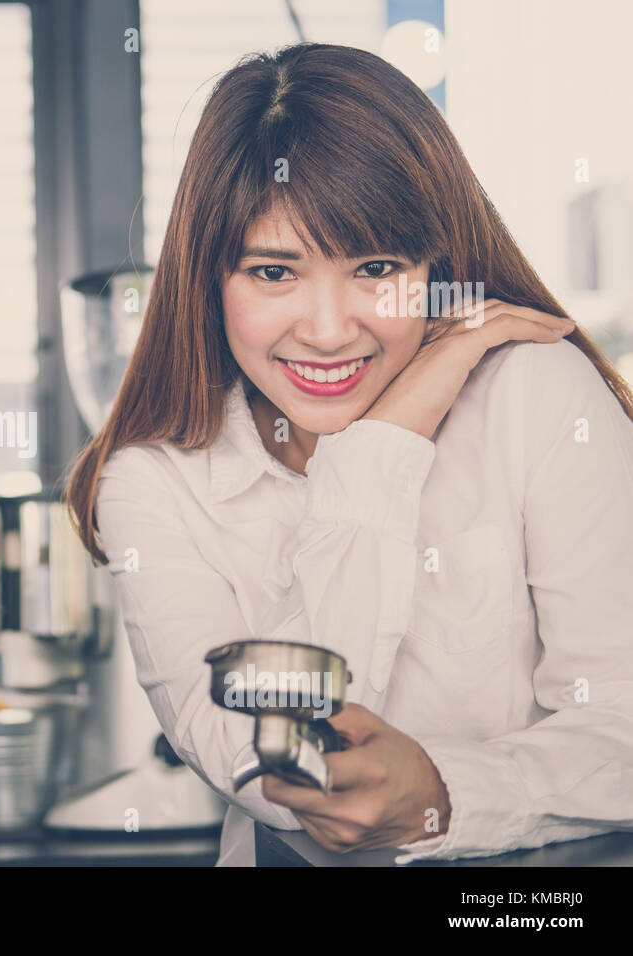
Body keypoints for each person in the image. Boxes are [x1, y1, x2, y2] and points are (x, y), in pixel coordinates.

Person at [65, 42, 633, 865]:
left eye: (377, 267)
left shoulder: (537, 395)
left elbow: (625, 715)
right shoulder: (152, 485)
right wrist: (380, 444)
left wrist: (447, 794)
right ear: (207, 279)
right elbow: (278, 767)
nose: (329, 331)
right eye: (272, 271)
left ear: (436, 263)